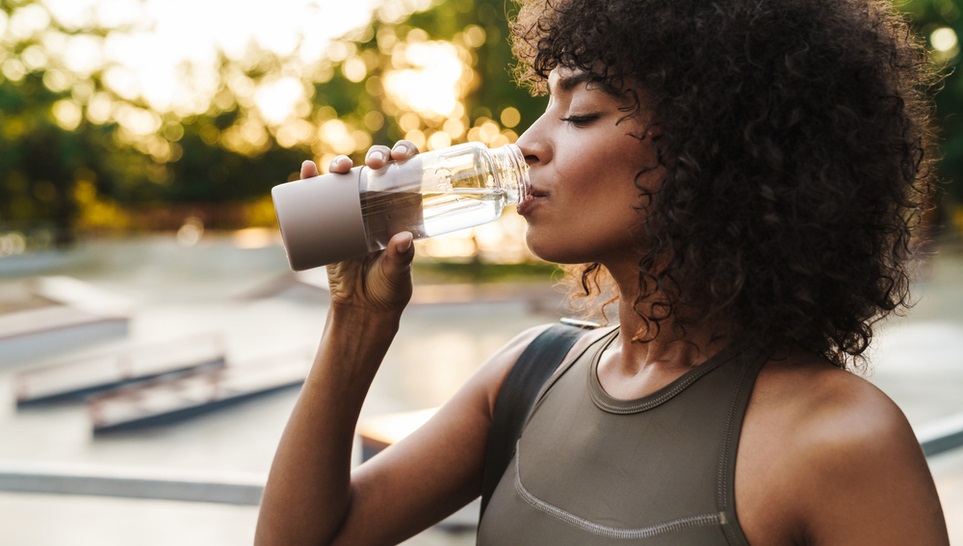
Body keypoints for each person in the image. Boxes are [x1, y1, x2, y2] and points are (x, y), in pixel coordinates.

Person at [255, 0, 951, 543]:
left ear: (717, 150)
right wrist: (357, 318)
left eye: (581, 111)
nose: (526, 143)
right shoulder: (526, 377)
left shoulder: (841, 441)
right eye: (546, 102)